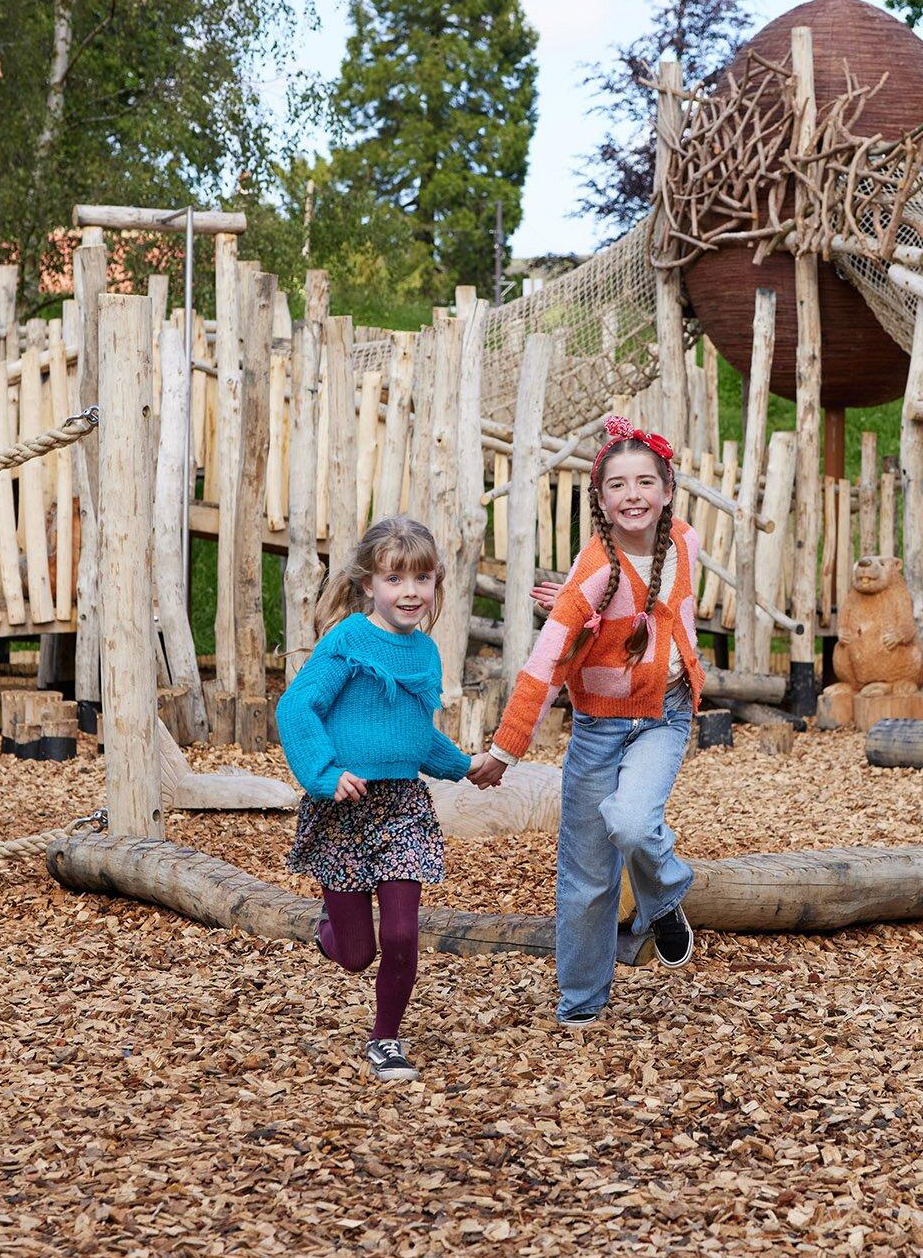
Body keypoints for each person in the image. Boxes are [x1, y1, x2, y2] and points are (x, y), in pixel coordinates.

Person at [467, 417, 701, 1027]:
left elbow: (669, 617)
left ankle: (665, 894)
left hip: (663, 717)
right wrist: (506, 748)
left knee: (630, 821)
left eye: (645, 482)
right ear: (599, 500)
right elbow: (545, 664)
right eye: (617, 485)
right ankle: (581, 1006)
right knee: (587, 879)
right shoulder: (594, 571)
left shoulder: (685, 544)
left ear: (667, 489)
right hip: (598, 729)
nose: (633, 495)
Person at [275, 516, 479, 1081]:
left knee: (400, 933)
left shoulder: (427, 653)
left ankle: (385, 1038)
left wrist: (465, 766)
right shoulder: (347, 642)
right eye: (395, 579)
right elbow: (296, 708)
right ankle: (330, 930)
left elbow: (414, 735)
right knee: (357, 954)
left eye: (422, 579)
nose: (409, 592)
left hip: (402, 809)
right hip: (343, 806)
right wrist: (323, 772)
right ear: (369, 585)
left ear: (437, 583)